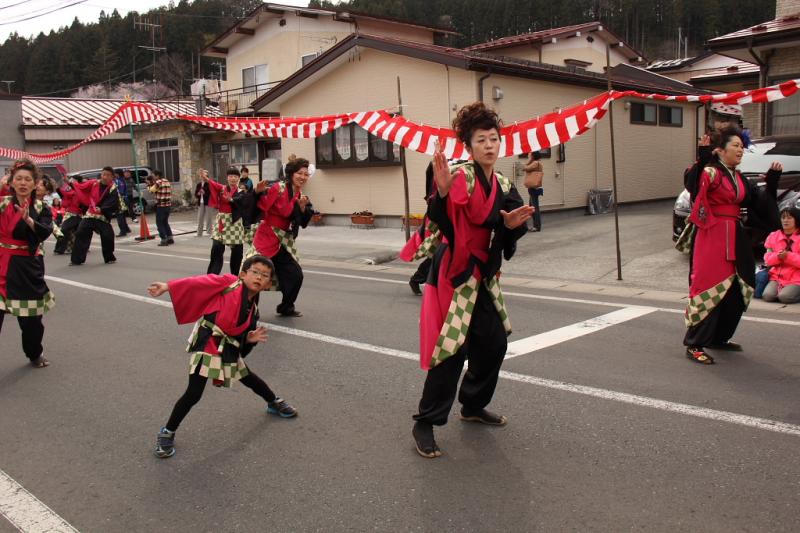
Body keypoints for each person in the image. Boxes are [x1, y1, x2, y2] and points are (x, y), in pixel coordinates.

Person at [412, 102, 534, 458]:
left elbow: (511, 219)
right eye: (481, 140)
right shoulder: (460, 175)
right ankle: (425, 421)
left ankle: (472, 404)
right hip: (456, 270)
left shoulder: (504, 181)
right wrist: (442, 194)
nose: (489, 145)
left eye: (494, 139)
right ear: (468, 146)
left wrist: (510, 226)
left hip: (483, 271)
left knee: (494, 343)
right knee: (452, 350)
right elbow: (443, 218)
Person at [148, 254, 298, 459]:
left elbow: (242, 347)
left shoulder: (253, 311)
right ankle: (167, 432)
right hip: (209, 339)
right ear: (243, 274)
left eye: (265, 275)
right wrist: (168, 286)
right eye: (255, 272)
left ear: (268, 284)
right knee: (194, 392)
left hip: (227, 346)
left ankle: (273, 402)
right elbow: (200, 282)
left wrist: (249, 339)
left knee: (247, 375)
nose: (259, 277)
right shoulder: (230, 283)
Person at [681, 126, 783, 364]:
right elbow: (695, 186)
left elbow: (761, 206)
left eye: (741, 146)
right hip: (712, 235)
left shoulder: (740, 178)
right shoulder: (711, 172)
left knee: (740, 287)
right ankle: (695, 343)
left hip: (736, 237)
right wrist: (704, 156)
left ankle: (719, 337)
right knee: (707, 287)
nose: (740, 150)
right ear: (720, 150)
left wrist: (772, 183)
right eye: (735, 146)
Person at [0, 159, 55, 368]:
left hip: (26, 268)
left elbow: (46, 231)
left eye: (28, 179)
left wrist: (29, 220)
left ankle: (34, 353)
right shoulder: (3, 203)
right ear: (11, 182)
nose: (23, 183)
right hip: (1, 263)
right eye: (19, 179)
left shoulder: (41, 207)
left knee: (31, 320)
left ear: (35, 184)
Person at [251, 157, 313, 317]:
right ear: (291, 174)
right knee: (256, 275)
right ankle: (249, 311)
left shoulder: (299, 194)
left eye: (306, 174)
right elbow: (261, 206)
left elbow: (301, 220)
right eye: (300, 173)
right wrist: (257, 193)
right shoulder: (278, 188)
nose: (303, 177)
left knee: (296, 274)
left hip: (282, 240)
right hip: (266, 237)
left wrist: (301, 208)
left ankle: (286, 306)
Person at [70, 166, 120, 265]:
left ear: (112, 177)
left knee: (108, 236)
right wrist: (70, 183)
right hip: (91, 214)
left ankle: (109, 258)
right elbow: (81, 187)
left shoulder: (113, 188)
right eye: (103, 174)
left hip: (102, 216)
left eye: (108, 175)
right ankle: (76, 260)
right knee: (80, 233)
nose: (105, 177)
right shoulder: (93, 183)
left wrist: (102, 208)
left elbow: (113, 202)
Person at [401, 162, 438, 296]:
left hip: (450, 217)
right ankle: (417, 279)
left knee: (442, 254)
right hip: (437, 218)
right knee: (438, 253)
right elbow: (431, 193)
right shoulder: (437, 164)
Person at [205, 167, 245, 275]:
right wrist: (206, 178)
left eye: (235, 176)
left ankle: (235, 276)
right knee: (216, 247)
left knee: (237, 252)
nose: (233, 179)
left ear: (238, 178)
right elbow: (213, 184)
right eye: (231, 176)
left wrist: (231, 199)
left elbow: (242, 202)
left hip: (235, 222)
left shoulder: (242, 191)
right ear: (227, 178)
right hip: (222, 221)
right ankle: (212, 275)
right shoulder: (222, 188)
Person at [762, 206, 800, 304]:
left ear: (797, 219)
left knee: (785, 297)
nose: (785, 221)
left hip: (796, 278)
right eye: (783, 218)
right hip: (777, 278)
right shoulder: (773, 235)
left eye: (789, 218)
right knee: (767, 296)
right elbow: (767, 260)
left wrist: (788, 256)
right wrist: (778, 257)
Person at [53, 176, 83, 255]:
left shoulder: (80, 189)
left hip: (78, 214)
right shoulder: (71, 189)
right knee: (66, 230)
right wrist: (57, 188)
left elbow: (69, 193)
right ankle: (63, 248)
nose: (71, 181)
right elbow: (65, 195)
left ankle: (63, 249)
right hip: (71, 213)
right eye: (71, 180)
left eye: (73, 180)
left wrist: (66, 183)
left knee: (67, 230)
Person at [149, 170, 174, 246]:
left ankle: (164, 239)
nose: (152, 177)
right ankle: (170, 238)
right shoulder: (166, 181)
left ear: (157, 176)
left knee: (159, 223)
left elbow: (151, 190)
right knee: (165, 222)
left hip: (161, 206)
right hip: (168, 205)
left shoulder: (158, 182)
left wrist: (149, 184)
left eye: (153, 175)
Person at [523, 151, 544, 232]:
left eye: (530, 155)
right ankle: (535, 225)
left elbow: (525, 168)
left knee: (534, 208)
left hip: (534, 189)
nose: (529, 156)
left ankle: (537, 226)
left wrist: (529, 160)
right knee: (532, 207)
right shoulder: (538, 163)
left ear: (533, 156)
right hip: (536, 188)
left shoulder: (535, 163)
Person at [194, 170, 214, 237]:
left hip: (208, 202)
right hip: (201, 202)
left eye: (204, 175)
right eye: (201, 176)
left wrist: (204, 192)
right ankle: (199, 233)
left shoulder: (209, 183)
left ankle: (209, 232)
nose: (202, 177)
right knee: (200, 218)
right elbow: (196, 194)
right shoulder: (198, 184)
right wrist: (198, 193)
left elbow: (210, 193)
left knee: (209, 218)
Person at [113, 169, 131, 237]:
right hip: (124, 199)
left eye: (115, 173)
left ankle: (123, 231)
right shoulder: (122, 179)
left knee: (119, 216)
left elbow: (120, 191)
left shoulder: (118, 181)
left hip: (120, 200)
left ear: (117, 174)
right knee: (122, 215)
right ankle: (126, 229)